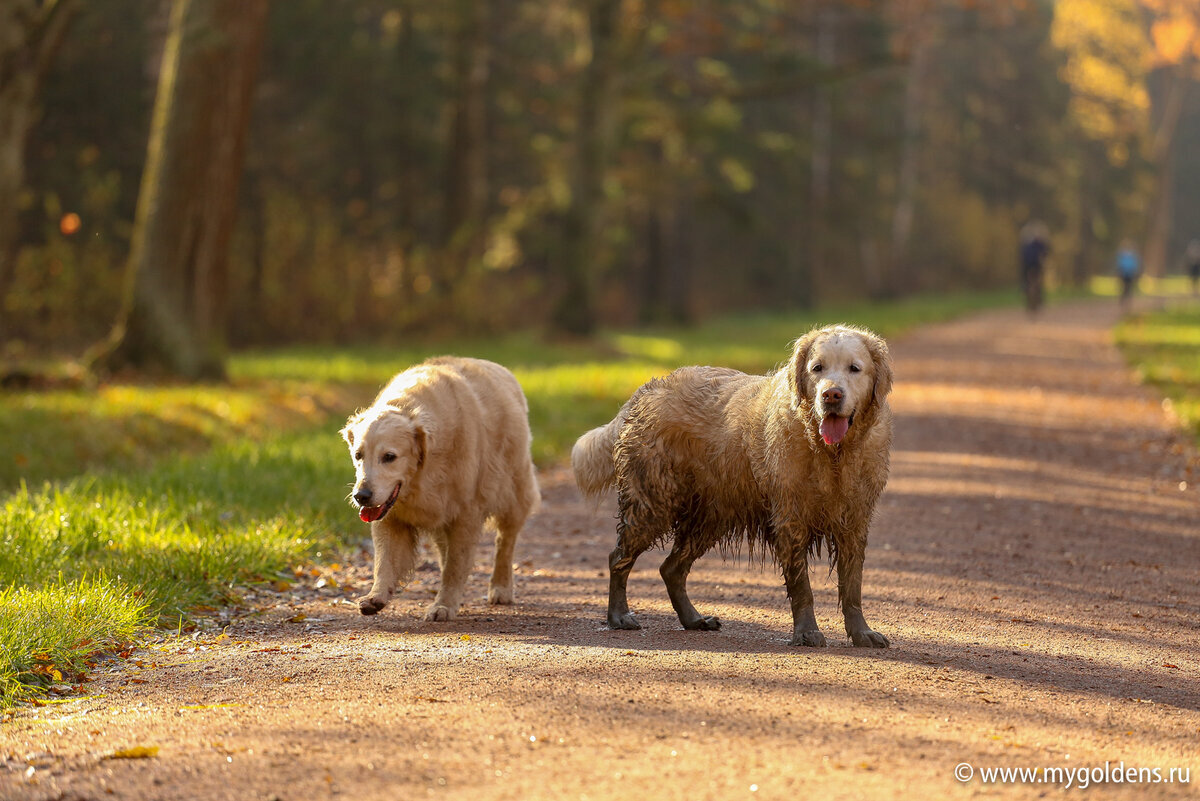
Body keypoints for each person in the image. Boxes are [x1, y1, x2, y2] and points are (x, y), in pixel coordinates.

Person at [1018, 220, 1050, 315]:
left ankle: (1033, 297)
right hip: (1032, 266)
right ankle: (1034, 298)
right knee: (1034, 282)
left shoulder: (1029, 244)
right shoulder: (1036, 244)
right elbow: (1045, 253)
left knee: (1033, 282)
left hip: (1033, 266)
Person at [1116, 240, 1140, 310]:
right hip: (1123, 274)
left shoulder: (1132, 256)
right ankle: (1123, 301)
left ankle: (1128, 302)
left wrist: (1135, 272)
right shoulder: (1122, 256)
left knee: (1129, 288)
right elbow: (1119, 265)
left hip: (1130, 274)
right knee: (1124, 288)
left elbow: (1134, 265)